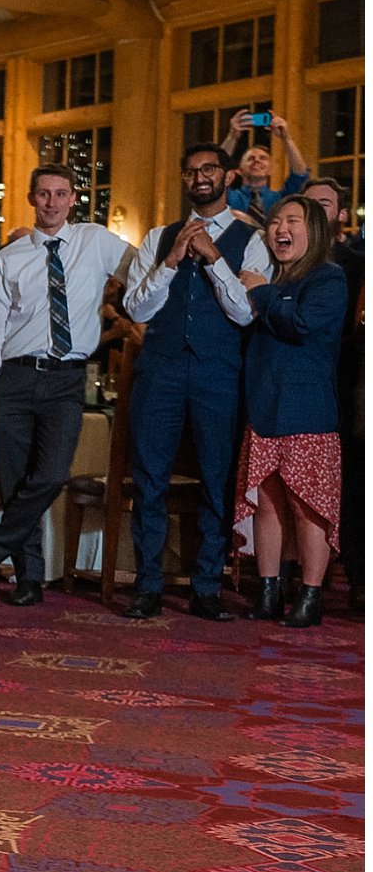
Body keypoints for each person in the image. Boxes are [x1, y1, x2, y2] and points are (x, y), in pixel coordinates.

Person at [0, 169, 136, 605]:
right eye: (44, 194)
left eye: (60, 194)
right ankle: (29, 580)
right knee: (16, 479)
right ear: (31, 198)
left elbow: (142, 269)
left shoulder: (95, 241)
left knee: (52, 475)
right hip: (14, 378)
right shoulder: (11, 257)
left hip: (66, 378)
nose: (52, 202)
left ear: (73, 199)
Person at [118, 143, 271, 619]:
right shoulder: (158, 237)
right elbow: (137, 309)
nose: (200, 177)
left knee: (217, 478)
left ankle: (207, 585)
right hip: (160, 369)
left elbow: (246, 313)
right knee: (149, 478)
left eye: (209, 169)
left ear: (227, 178)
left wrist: (211, 258)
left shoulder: (253, 240)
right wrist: (171, 261)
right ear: (184, 180)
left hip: (218, 372)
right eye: (191, 171)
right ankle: (148, 583)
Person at [235, 196, 348, 627]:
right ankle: (268, 591)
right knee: (268, 502)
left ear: (313, 230)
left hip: (307, 411)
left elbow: (300, 325)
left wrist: (260, 292)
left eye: (292, 221)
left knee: (306, 506)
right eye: (275, 221)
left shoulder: (329, 278)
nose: (280, 228)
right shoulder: (272, 278)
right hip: (264, 405)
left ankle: (311, 594)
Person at [300, 176, 362, 602]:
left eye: (324, 204)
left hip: (348, 383)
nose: (316, 212)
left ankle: (358, 578)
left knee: (355, 483)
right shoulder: (282, 260)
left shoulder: (358, 263)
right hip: (300, 384)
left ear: (340, 214)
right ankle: (294, 578)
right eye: (308, 205)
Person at [221, 109, 311, 219]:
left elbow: (300, 174)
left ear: (271, 170)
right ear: (239, 170)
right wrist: (232, 137)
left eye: (263, 158)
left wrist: (286, 138)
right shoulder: (228, 196)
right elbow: (217, 171)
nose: (257, 161)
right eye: (250, 158)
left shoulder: (281, 199)